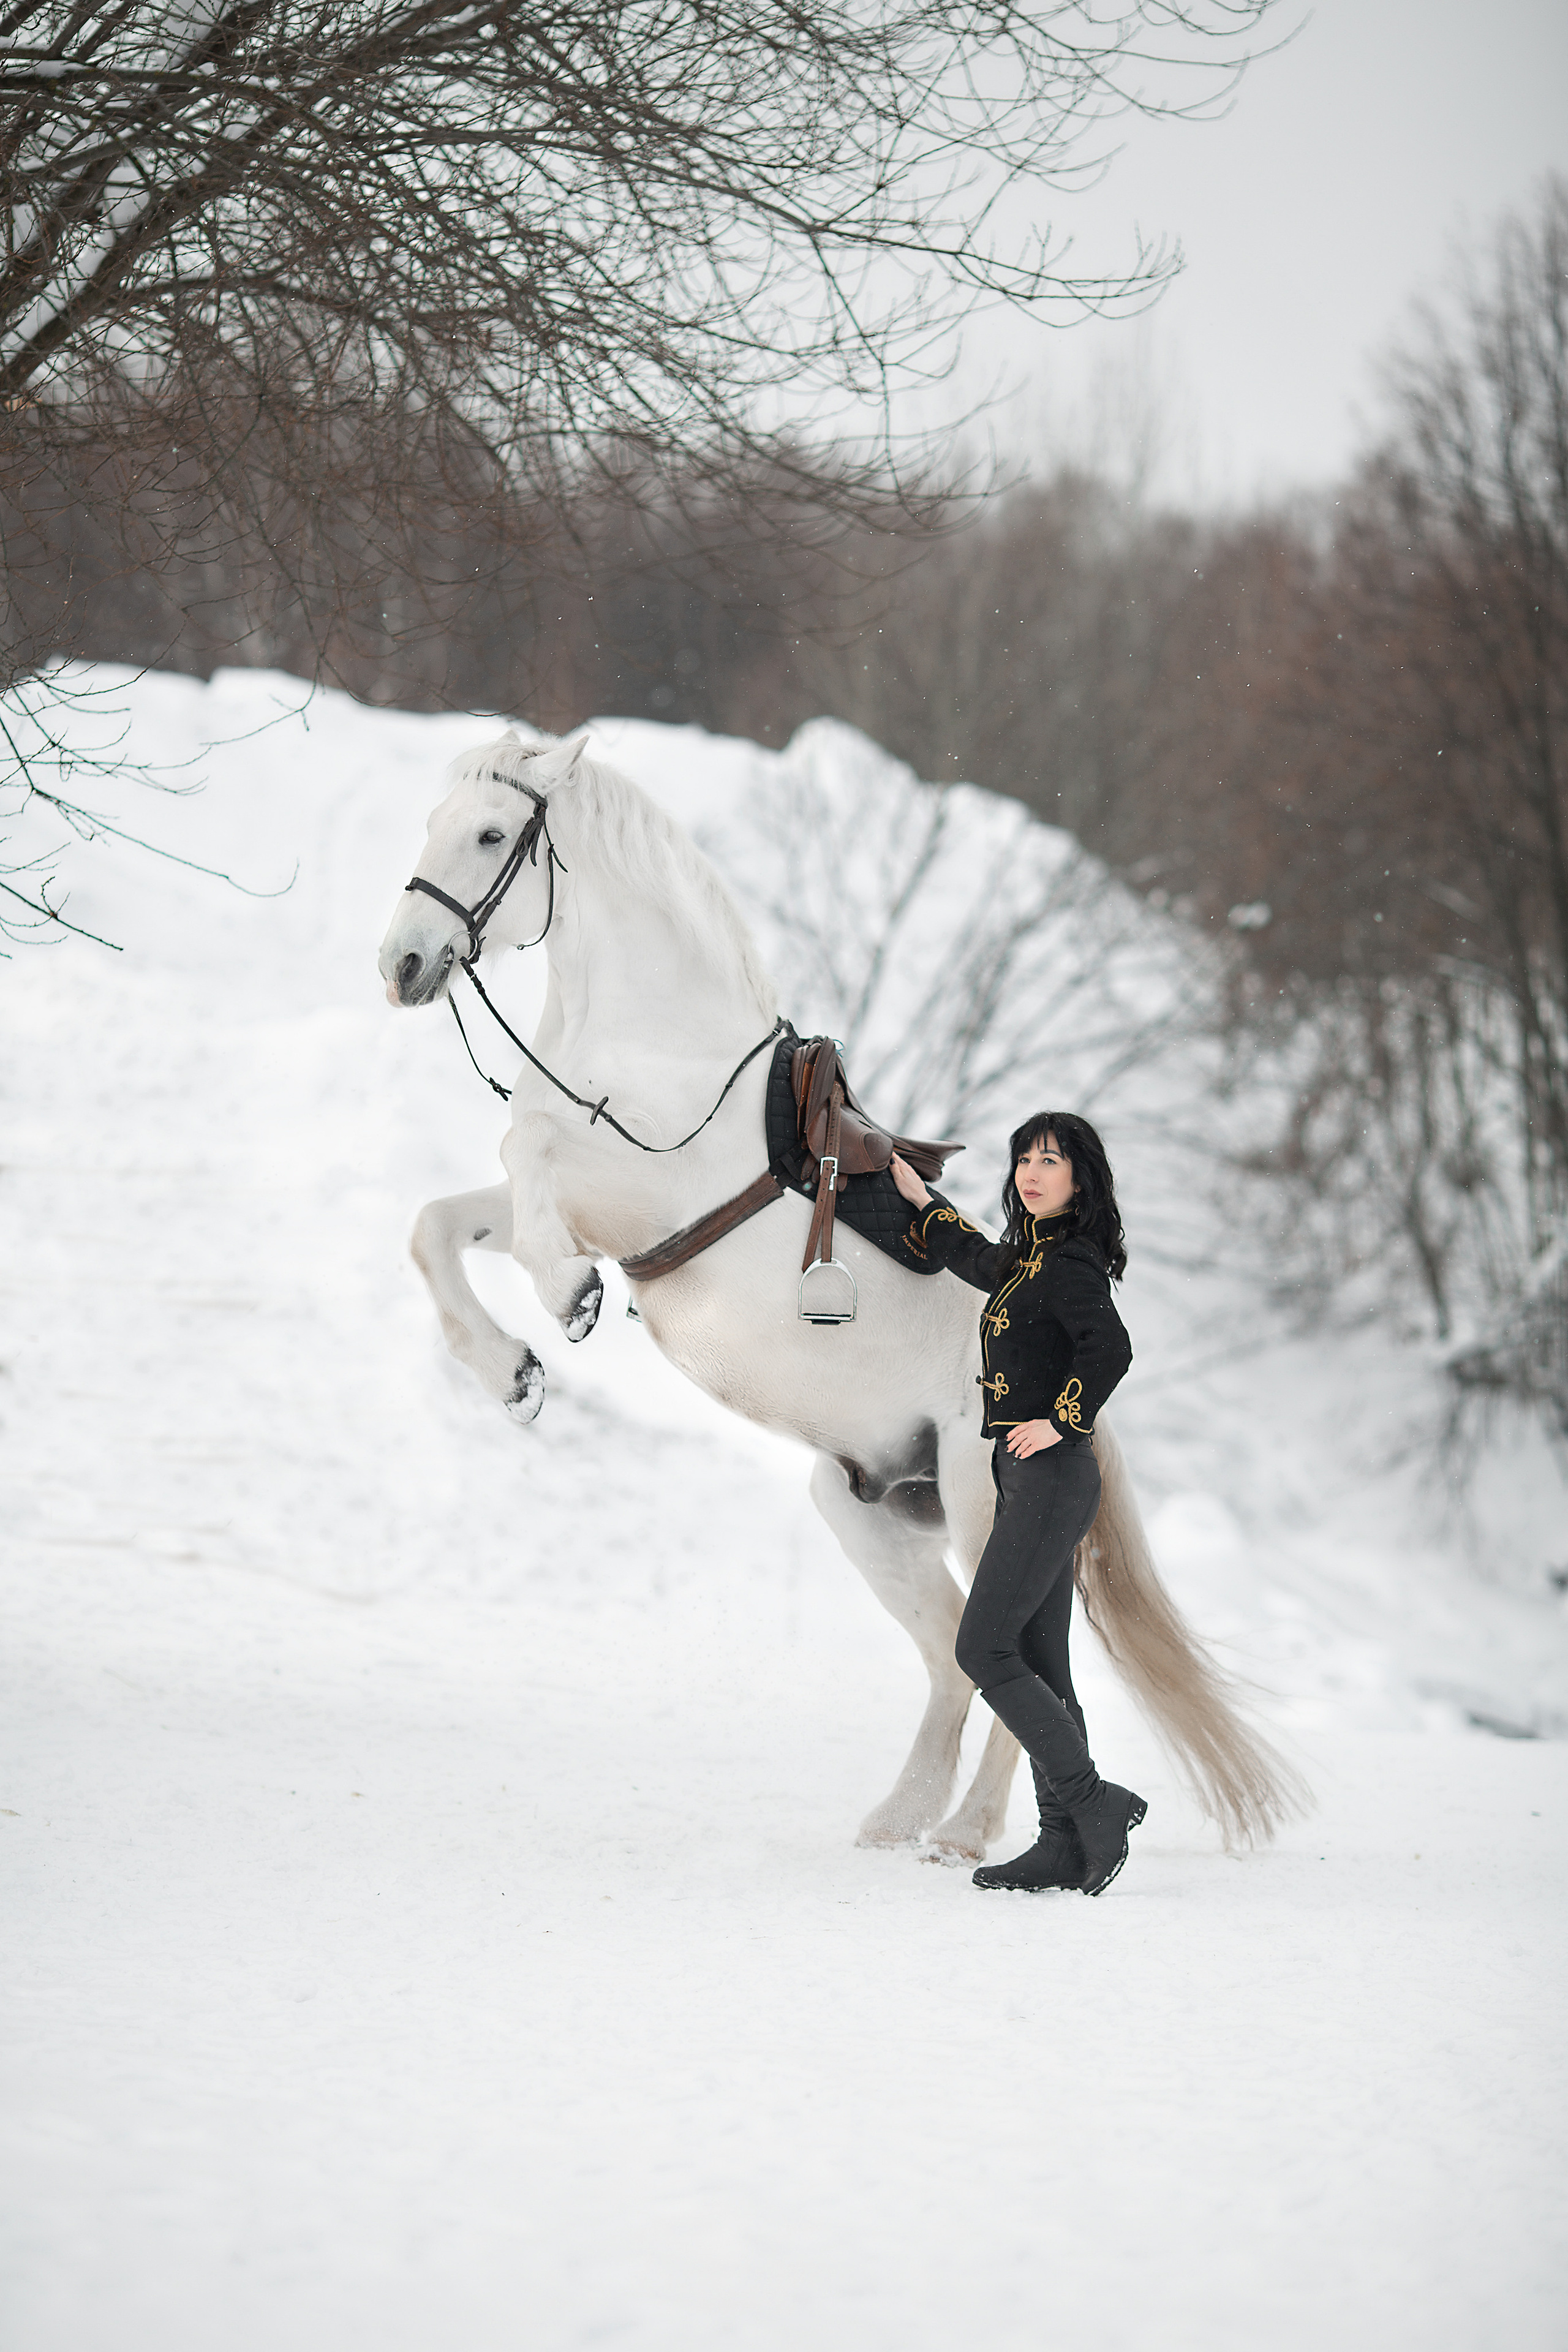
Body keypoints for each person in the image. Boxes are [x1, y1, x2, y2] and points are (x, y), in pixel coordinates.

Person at [889, 1115, 1144, 1896]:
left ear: (1080, 1179)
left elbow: (1112, 1349)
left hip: (1054, 1474)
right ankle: (1064, 1844)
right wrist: (917, 1199)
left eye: (1051, 1161)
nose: (1032, 1172)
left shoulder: (1069, 1263)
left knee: (983, 1649)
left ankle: (1093, 1804)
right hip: (1024, 1478)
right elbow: (971, 1255)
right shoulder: (1027, 1259)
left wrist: (1062, 1418)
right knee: (1039, 1658)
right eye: (1024, 1159)